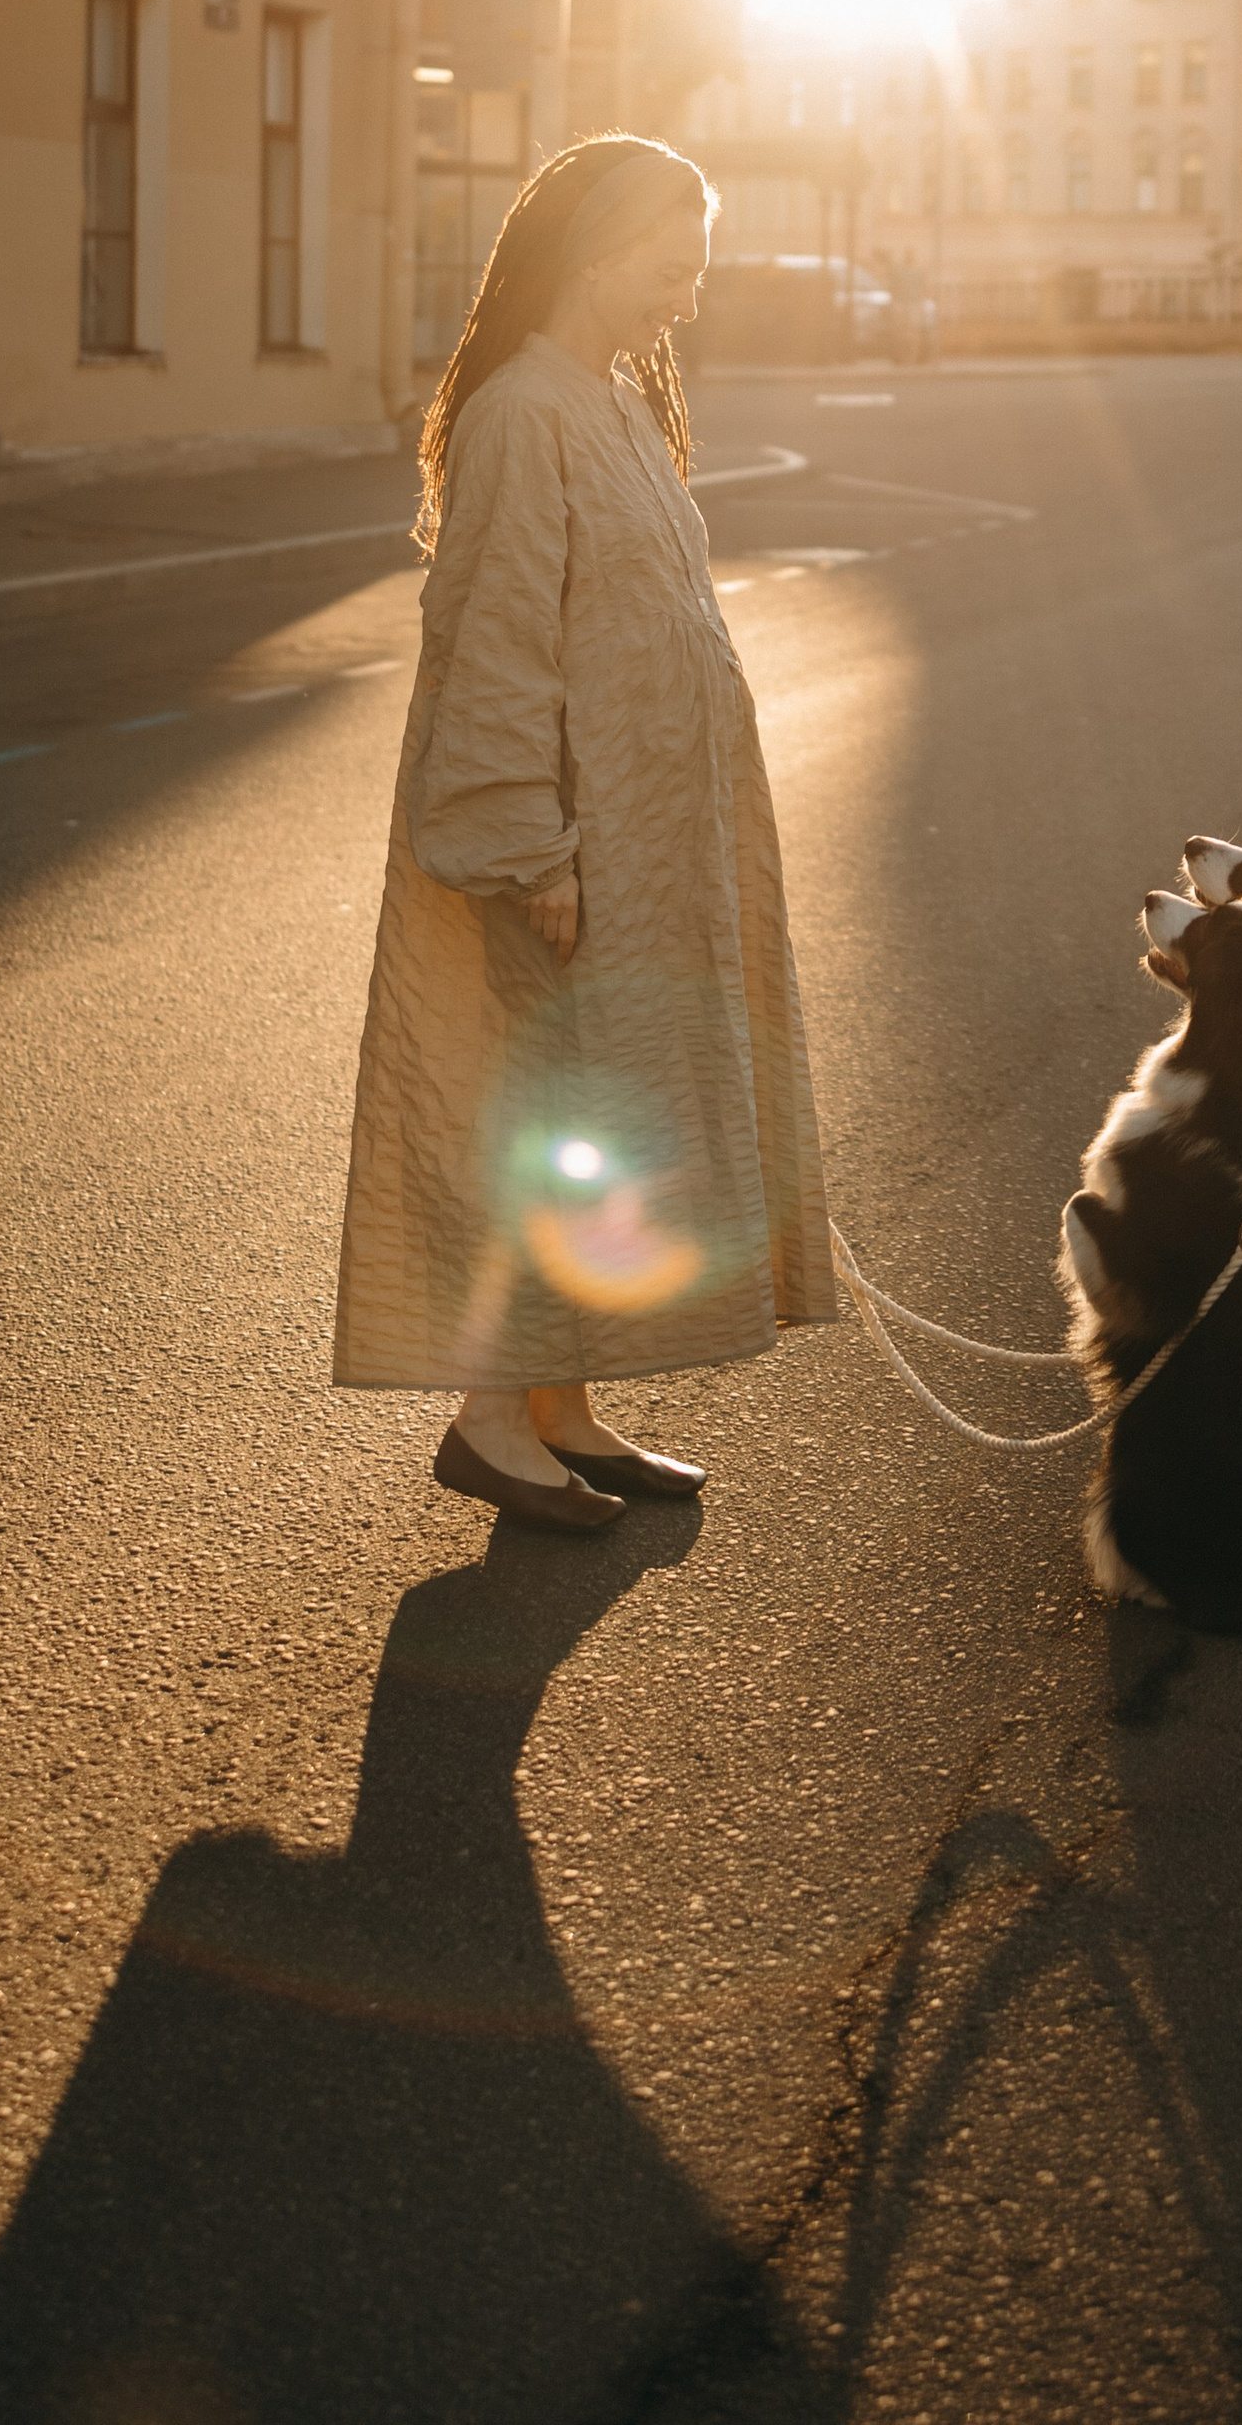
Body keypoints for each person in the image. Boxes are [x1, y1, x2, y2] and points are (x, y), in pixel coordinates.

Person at [331, 133, 837, 1531]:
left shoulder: (611, 402)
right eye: (672, 267)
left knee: (604, 1130)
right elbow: (494, 644)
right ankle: (492, 1420)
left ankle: (567, 1409)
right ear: (592, 252)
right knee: (546, 1128)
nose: (687, 296)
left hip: (652, 849)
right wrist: (527, 849)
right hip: (571, 852)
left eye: (699, 269)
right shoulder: (521, 411)